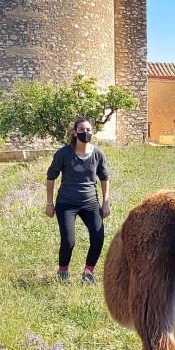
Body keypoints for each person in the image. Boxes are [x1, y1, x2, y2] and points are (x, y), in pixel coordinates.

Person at [45, 116, 110, 284]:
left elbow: (104, 178)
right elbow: (51, 177)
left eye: (88, 130)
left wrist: (105, 202)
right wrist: (49, 203)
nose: (85, 133)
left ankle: (88, 273)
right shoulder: (64, 153)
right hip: (66, 203)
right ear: (75, 132)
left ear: (92, 132)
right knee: (69, 241)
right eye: (81, 130)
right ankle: (63, 271)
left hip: (90, 202)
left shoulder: (97, 154)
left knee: (98, 237)